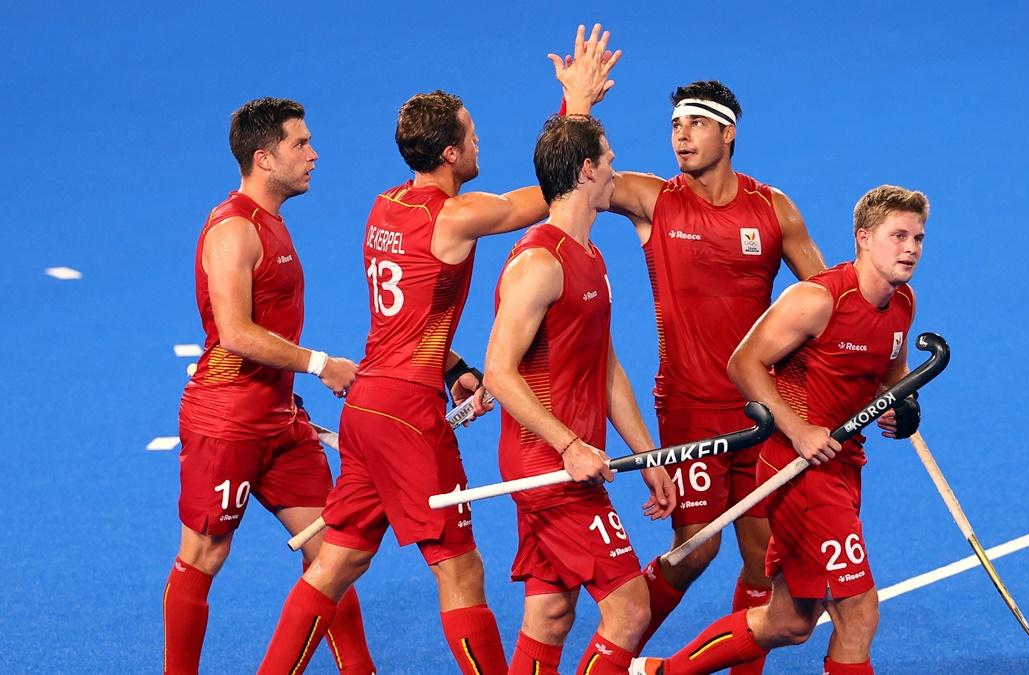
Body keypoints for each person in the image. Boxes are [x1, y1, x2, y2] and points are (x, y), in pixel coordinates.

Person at [256, 26, 621, 675]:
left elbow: (405, 312)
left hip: (367, 404)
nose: (481, 140)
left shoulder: (382, 207)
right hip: (406, 417)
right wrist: (578, 112)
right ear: (451, 152)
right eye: (473, 133)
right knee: (461, 570)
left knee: (338, 560)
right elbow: (549, 198)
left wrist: (453, 366)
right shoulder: (452, 216)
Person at [631, 184, 929, 675]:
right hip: (800, 471)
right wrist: (799, 429)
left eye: (917, 237)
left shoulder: (902, 302)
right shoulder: (816, 300)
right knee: (858, 613)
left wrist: (903, 406)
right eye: (898, 236)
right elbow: (743, 363)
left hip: (843, 467)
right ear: (864, 238)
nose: (910, 248)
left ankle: (660, 672)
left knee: (789, 621)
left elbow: (889, 379)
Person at [595, 79, 826, 666]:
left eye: (695, 124)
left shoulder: (774, 210)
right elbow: (579, 180)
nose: (681, 136)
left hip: (760, 408)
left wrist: (874, 359)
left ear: (728, 132)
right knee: (697, 547)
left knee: (762, 554)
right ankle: (616, 652)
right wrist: (577, 108)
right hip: (691, 411)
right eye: (675, 126)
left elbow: (827, 302)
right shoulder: (655, 200)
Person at [166, 97, 374, 675]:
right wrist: (319, 363)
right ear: (263, 158)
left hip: (280, 418)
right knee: (204, 554)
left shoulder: (271, 221)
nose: (314, 154)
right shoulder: (234, 229)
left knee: (331, 555)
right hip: (226, 420)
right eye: (300, 144)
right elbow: (233, 332)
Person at [483, 113, 677, 675]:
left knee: (549, 616)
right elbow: (498, 371)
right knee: (629, 610)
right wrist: (569, 445)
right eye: (609, 157)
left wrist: (648, 455)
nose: (617, 166)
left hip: (571, 459)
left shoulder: (590, 254)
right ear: (587, 170)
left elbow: (606, 364)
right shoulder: (540, 262)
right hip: (549, 464)